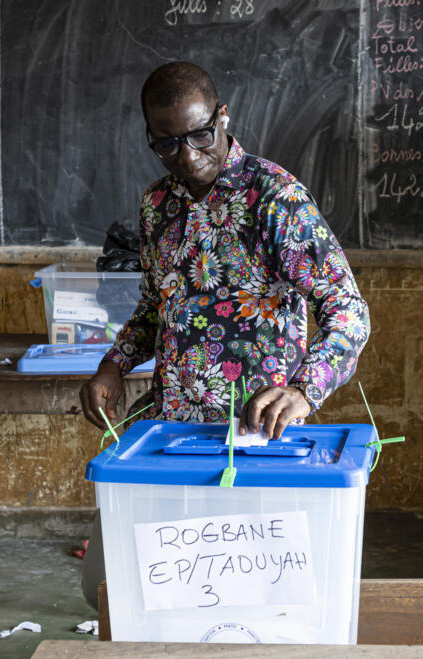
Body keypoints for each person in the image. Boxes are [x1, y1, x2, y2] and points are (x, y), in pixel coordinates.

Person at [77, 62, 370, 608]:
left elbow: (347, 310)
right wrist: (114, 364)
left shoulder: (275, 198)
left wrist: (304, 390)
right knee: (123, 593)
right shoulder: (157, 206)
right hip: (173, 437)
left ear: (223, 117)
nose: (188, 157)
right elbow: (158, 304)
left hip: (255, 442)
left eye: (200, 135)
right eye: (166, 144)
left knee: (252, 602)